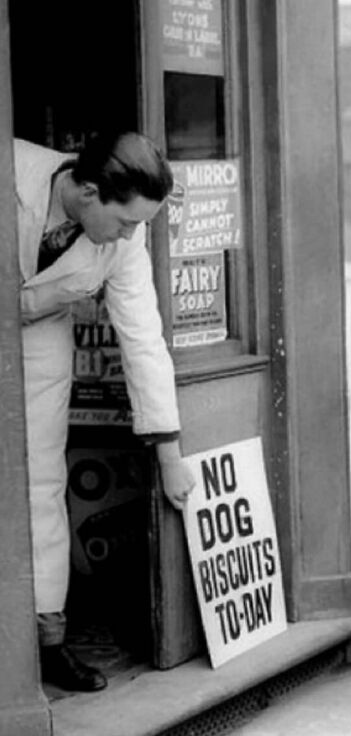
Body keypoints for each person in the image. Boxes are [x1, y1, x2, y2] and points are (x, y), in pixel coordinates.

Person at [16, 132, 196, 692]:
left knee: (42, 481)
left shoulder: (122, 244)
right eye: (124, 222)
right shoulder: (11, 166)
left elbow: (144, 339)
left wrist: (169, 453)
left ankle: (47, 642)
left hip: (39, 342)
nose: (130, 236)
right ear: (88, 192)